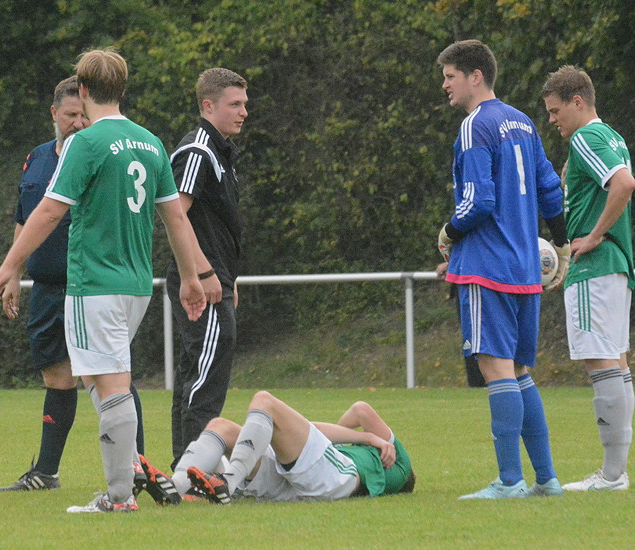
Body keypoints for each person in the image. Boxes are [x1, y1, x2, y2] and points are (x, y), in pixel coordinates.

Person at [0, 48, 217, 513]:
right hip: (136, 285)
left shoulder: (85, 143)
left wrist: (10, 264)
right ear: (123, 90)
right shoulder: (149, 142)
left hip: (94, 283)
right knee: (99, 377)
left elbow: (49, 211)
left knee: (109, 385)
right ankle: (130, 474)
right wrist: (191, 277)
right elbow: (175, 218)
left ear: (84, 89)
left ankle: (119, 496)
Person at [0, 76, 151, 493]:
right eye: (70, 116)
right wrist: (14, 271)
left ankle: (137, 468)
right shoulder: (36, 158)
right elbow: (25, 217)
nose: (78, 123)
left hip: (93, 286)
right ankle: (46, 472)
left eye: (83, 115)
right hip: (48, 287)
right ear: (54, 114)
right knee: (57, 376)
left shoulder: (101, 152)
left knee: (110, 375)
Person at [435, 40, 569, 499]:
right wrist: (562, 243)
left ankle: (510, 480)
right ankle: (547, 479)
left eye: (450, 76)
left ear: (475, 76)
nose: (445, 86)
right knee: (519, 371)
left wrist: (448, 233)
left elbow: (478, 202)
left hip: (487, 266)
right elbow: (550, 190)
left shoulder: (476, 125)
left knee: (496, 369)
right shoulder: (524, 122)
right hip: (526, 268)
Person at [542, 65, 635, 492]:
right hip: (616, 264)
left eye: (555, 110)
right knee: (617, 361)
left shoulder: (586, 137)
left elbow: (624, 183)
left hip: (596, 264)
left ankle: (612, 475)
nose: (552, 119)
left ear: (577, 102)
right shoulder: (612, 136)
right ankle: (617, 471)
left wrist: (593, 235)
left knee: (601, 361)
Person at [167, 68, 246, 470]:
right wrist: (202, 272)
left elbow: (215, 223)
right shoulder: (198, 151)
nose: (244, 112)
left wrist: (229, 276)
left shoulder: (220, 152)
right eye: (235, 104)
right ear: (208, 106)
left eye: (244, 104)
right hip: (202, 280)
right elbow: (174, 214)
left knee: (197, 371)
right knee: (206, 375)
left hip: (216, 277)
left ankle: (185, 465)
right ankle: (194, 469)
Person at [137, 390, 414, 506]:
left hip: (332, 478)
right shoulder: (352, 456)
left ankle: (227, 483)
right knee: (221, 426)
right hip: (300, 483)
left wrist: (372, 438)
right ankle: (175, 487)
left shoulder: (398, 464)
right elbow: (320, 432)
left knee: (264, 401)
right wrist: (352, 439)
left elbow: (362, 410)